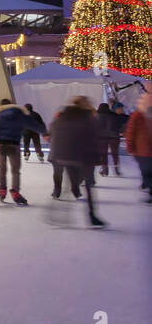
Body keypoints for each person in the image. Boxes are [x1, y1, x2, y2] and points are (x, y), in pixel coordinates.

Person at [49, 96, 105, 227]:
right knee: (88, 186)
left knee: (73, 181)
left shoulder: (62, 116)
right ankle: (92, 216)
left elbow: (53, 131)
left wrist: (58, 153)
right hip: (83, 156)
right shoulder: (89, 118)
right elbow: (94, 137)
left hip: (65, 155)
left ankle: (61, 210)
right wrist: (97, 158)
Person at [0, 98, 29, 205]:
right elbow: (22, 128)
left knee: (2, 168)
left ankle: (2, 189)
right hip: (14, 144)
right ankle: (15, 191)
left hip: (1, 144)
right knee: (15, 170)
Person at [124, 92, 152, 203]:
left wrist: (130, 148)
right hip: (143, 150)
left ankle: (149, 188)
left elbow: (130, 132)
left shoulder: (137, 114)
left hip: (143, 151)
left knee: (146, 172)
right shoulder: (137, 115)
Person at [96, 102, 124, 176]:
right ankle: (116, 169)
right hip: (114, 137)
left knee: (103, 154)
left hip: (101, 138)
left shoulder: (97, 116)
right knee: (115, 154)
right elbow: (119, 125)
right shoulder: (114, 115)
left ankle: (105, 171)